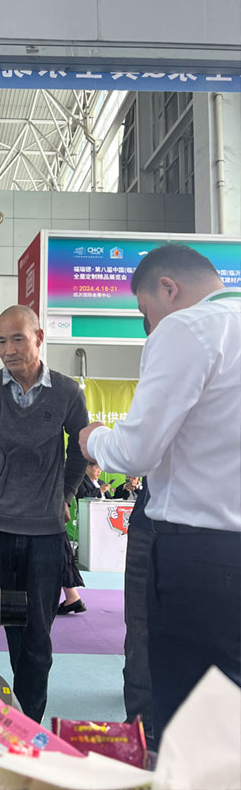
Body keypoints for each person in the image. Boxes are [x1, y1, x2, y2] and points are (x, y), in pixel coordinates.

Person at [79, 244, 241, 744]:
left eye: (145, 313)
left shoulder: (188, 327)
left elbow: (135, 452)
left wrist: (93, 439)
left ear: (168, 288)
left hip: (200, 557)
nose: (148, 327)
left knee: (188, 718)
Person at [0, 304, 88, 722]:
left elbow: (81, 449)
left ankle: (28, 726)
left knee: (34, 642)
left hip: (45, 535)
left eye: (17, 339)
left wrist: (65, 493)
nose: (9, 349)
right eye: (1, 341)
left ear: (39, 338)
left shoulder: (67, 391)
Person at [122, 481, 156, 751]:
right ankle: (140, 733)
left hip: (211, 531)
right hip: (147, 522)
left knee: (139, 636)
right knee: (138, 637)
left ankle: (141, 734)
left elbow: (135, 458)